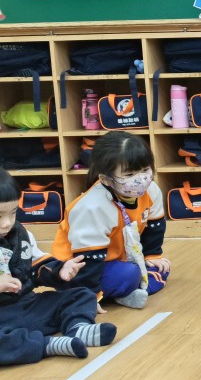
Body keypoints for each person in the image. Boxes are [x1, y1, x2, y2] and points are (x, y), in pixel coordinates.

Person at [0, 167, 115, 364]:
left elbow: (36, 266)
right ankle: (48, 345)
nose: (7, 223)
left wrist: (59, 271)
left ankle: (78, 328)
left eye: (13, 213)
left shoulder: (20, 235)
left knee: (82, 295)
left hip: (27, 306)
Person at [52, 131, 170, 310]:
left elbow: (154, 227)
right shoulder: (93, 207)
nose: (140, 179)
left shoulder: (151, 190)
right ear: (106, 180)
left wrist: (152, 256)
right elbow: (87, 258)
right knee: (130, 273)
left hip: (118, 259)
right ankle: (115, 291)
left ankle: (127, 290)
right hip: (76, 269)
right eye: (129, 174)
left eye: (145, 170)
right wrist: (89, 297)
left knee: (161, 266)